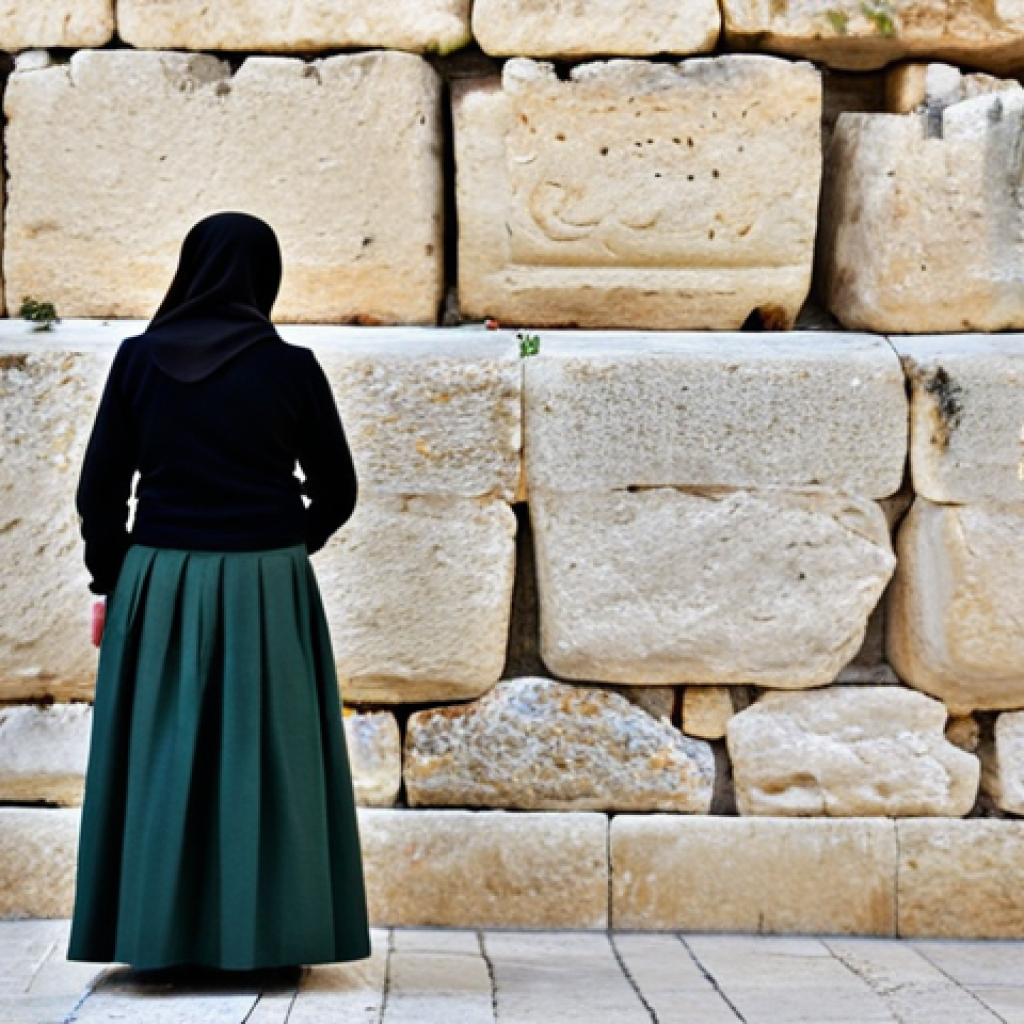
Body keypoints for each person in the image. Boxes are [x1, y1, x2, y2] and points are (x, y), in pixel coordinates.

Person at [67, 211, 371, 971]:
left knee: (163, 754)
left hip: (159, 579)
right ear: (264, 276)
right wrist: (289, 540)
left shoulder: (138, 361)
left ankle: (156, 939)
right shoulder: (292, 367)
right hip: (267, 579)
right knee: (267, 756)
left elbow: (98, 492)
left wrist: (114, 579)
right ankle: (269, 937)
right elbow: (338, 489)